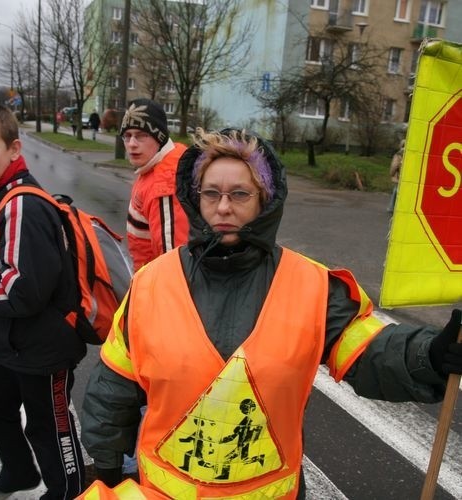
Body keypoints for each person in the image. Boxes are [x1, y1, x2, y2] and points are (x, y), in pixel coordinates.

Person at [79, 128, 462, 499]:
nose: (223, 207)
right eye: (211, 194)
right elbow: (113, 389)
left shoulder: (312, 285)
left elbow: (369, 354)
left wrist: (426, 354)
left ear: (265, 199)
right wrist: (108, 465)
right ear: (196, 199)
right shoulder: (151, 285)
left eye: (240, 194)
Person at [0, 102, 86, 499]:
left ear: (14, 149)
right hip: (14, 342)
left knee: (50, 433)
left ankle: (70, 492)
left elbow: (22, 293)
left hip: (44, 349)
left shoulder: (21, 205)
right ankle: (19, 473)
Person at [119, 98, 189, 272]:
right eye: (127, 136)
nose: (132, 144)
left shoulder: (164, 184)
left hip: (158, 285)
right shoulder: (153, 168)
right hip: (148, 277)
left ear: (160, 137)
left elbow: (174, 263)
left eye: (142, 135)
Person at [387, 138, 405, 213]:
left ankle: (392, 207)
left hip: (399, 176)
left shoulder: (399, 154)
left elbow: (394, 165)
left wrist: (391, 173)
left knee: (396, 190)